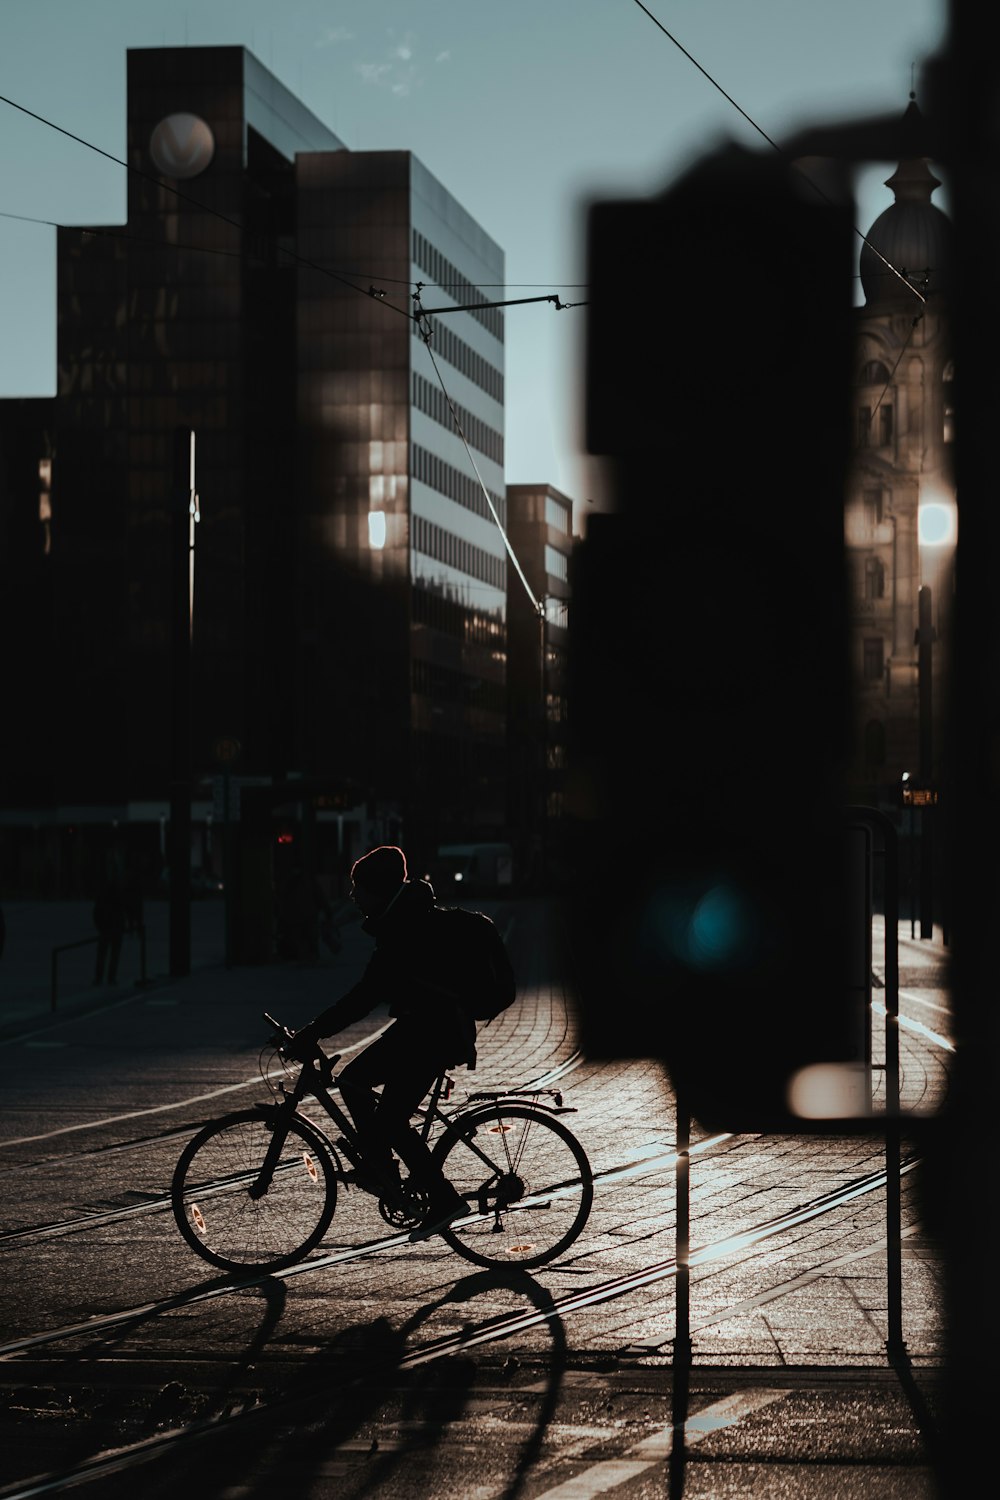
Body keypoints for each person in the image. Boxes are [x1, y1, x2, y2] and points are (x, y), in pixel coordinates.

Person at [288, 845, 474, 1238]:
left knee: (380, 1109)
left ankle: (439, 1197)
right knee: (360, 1087)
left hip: (431, 1033)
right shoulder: (403, 920)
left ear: (377, 891)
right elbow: (368, 993)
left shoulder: (403, 929)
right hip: (424, 1029)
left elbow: (365, 995)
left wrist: (313, 1031)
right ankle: (384, 1169)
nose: (353, 897)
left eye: (358, 889)